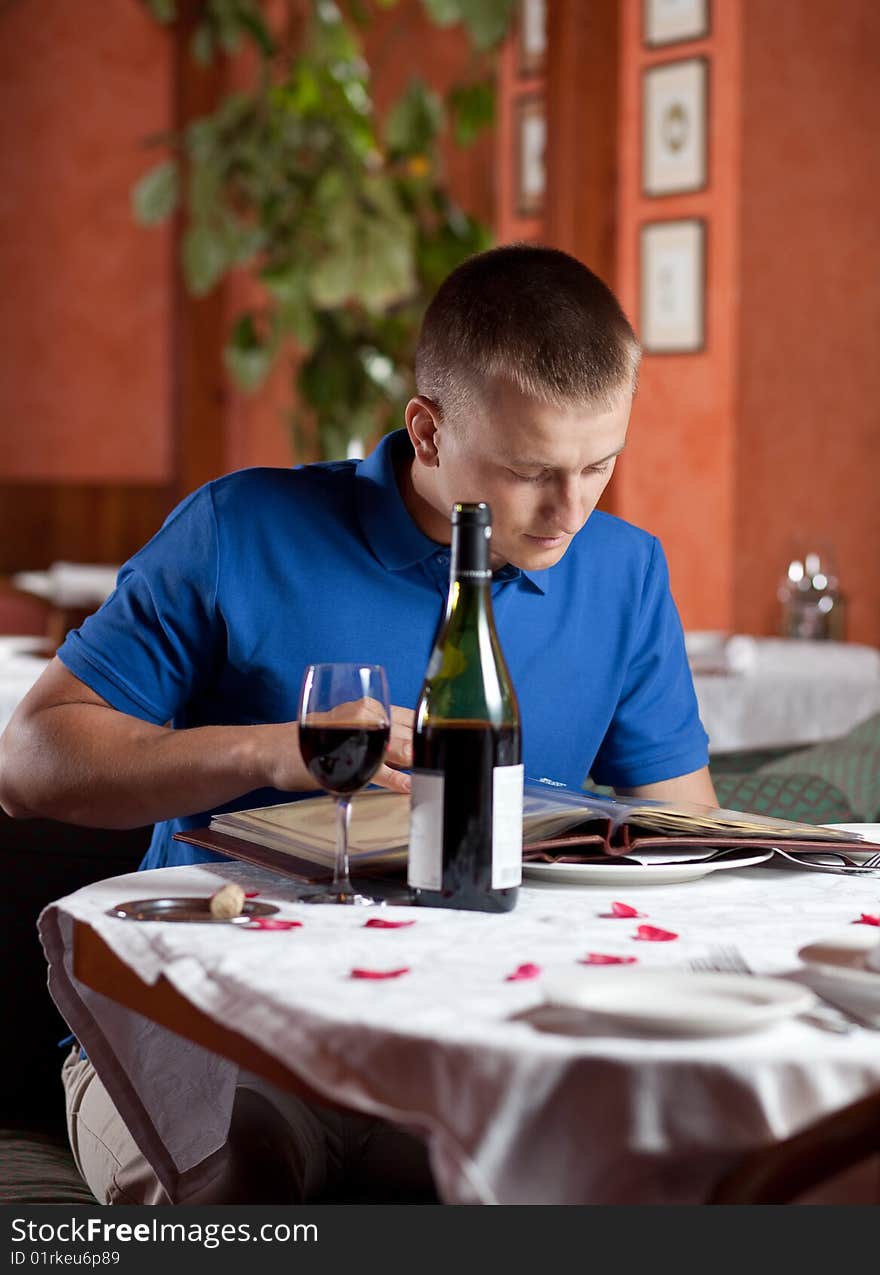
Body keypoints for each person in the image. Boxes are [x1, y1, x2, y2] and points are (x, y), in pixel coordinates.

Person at [0, 244, 715, 1204]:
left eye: (600, 464)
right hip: (214, 1021)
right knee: (244, 1183)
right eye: (529, 470)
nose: (571, 511)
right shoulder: (241, 528)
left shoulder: (626, 572)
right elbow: (29, 762)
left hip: (468, 1025)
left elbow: (688, 839)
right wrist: (279, 750)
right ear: (425, 430)